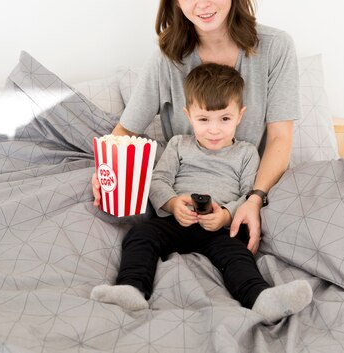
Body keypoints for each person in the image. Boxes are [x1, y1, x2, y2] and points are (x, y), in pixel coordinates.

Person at [92, 0, 301, 254]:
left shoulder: (276, 47)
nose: (203, 3)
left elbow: (280, 139)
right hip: (181, 203)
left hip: (245, 192)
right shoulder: (167, 58)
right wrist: (107, 171)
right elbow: (125, 131)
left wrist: (254, 200)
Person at [91, 63, 312, 320]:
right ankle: (131, 288)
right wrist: (173, 204)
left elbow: (248, 195)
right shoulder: (178, 145)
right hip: (177, 220)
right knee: (140, 235)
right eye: (204, 119)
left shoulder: (246, 153)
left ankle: (260, 298)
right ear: (188, 115)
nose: (214, 129)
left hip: (220, 227)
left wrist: (226, 215)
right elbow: (157, 179)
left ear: (240, 116)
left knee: (237, 255)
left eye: (225, 119)